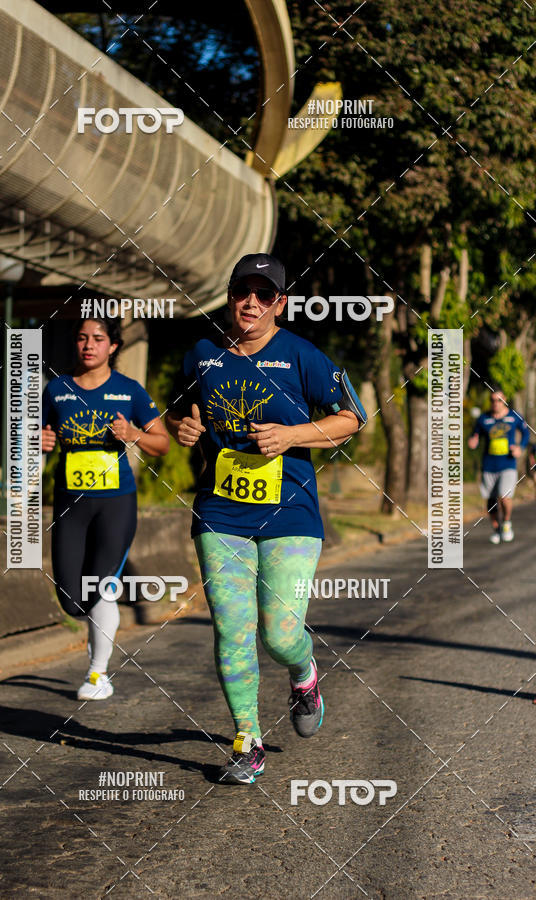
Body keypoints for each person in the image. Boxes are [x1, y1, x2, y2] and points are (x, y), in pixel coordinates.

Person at [166, 253, 366, 784]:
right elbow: (178, 410)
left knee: (279, 634)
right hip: (220, 512)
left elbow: (353, 416)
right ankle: (247, 739)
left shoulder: (302, 355)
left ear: (281, 302)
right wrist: (185, 428)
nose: (250, 302)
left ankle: (303, 674)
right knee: (232, 629)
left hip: (291, 515)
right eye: (241, 292)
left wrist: (292, 436)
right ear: (230, 297)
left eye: (264, 294)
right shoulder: (203, 355)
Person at [42, 316, 169, 699]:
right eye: (82, 337)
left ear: (113, 346)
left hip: (115, 504)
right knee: (70, 599)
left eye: (98, 338)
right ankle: (95, 635)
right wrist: (40, 441)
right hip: (69, 504)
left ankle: (98, 674)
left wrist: (134, 434)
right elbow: (37, 436)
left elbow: (162, 443)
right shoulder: (57, 389)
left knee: (100, 586)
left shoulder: (128, 390)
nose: (88, 344)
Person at [467, 388, 529, 543]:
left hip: (508, 464)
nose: (495, 403)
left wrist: (520, 447)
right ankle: (496, 529)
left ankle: (507, 522)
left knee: (504, 495)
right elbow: (474, 435)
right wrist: (472, 441)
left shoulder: (514, 417)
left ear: (504, 400)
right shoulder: (483, 419)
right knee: (490, 500)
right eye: (493, 400)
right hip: (488, 465)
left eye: (499, 400)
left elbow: (526, 433)